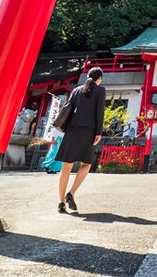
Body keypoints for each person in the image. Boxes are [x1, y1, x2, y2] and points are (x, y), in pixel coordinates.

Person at [55, 67, 106, 214]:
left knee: (66, 167)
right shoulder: (100, 91)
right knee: (86, 164)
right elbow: (99, 112)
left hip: (72, 130)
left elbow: (68, 109)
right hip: (88, 131)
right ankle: (71, 192)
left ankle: (61, 203)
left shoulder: (76, 90)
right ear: (99, 78)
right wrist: (98, 132)